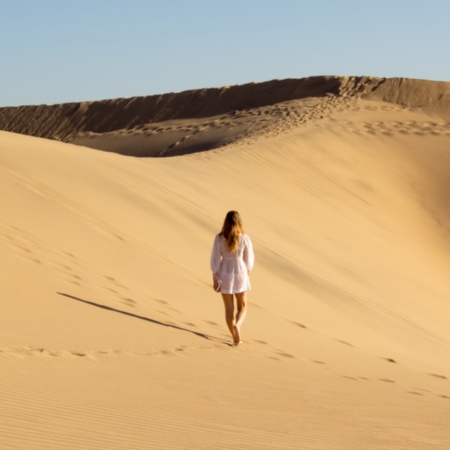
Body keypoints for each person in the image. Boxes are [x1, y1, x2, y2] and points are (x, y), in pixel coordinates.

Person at [210, 211, 254, 345]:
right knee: (243, 307)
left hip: (225, 273)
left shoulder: (219, 238)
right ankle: (238, 325)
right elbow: (249, 260)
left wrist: (215, 278)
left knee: (229, 309)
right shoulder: (244, 238)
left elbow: (215, 259)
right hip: (240, 272)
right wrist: (247, 273)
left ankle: (233, 333)